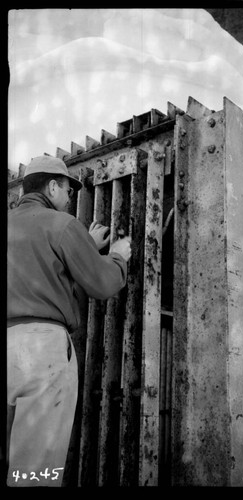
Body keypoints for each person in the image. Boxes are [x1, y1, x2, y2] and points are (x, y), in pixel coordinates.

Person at [7, 155, 131, 487]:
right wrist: (118, 255)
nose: (70, 198)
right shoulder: (61, 224)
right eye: (68, 191)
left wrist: (84, 245)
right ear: (52, 186)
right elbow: (102, 284)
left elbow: (34, 264)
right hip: (40, 350)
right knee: (33, 470)